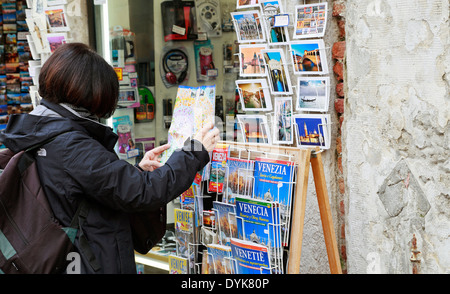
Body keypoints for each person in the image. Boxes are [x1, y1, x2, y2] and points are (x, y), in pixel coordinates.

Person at [0, 43, 220, 274]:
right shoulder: (70, 144)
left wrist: (138, 171)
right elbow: (143, 192)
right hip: (88, 263)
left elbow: (90, 186)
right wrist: (195, 151)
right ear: (91, 92)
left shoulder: (43, 129)